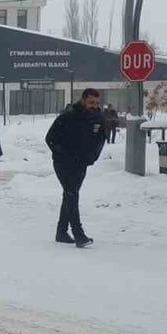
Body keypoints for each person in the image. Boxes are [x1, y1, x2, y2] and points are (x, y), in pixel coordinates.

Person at [45, 88, 107, 248]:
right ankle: (78, 234)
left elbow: (101, 138)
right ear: (83, 100)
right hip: (63, 163)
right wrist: (63, 154)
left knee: (70, 195)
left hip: (82, 162)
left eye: (96, 103)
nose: (94, 106)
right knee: (72, 194)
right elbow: (50, 138)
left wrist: (92, 156)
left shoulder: (97, 118)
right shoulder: (69, 116)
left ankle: (61, 232)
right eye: (91, 102)